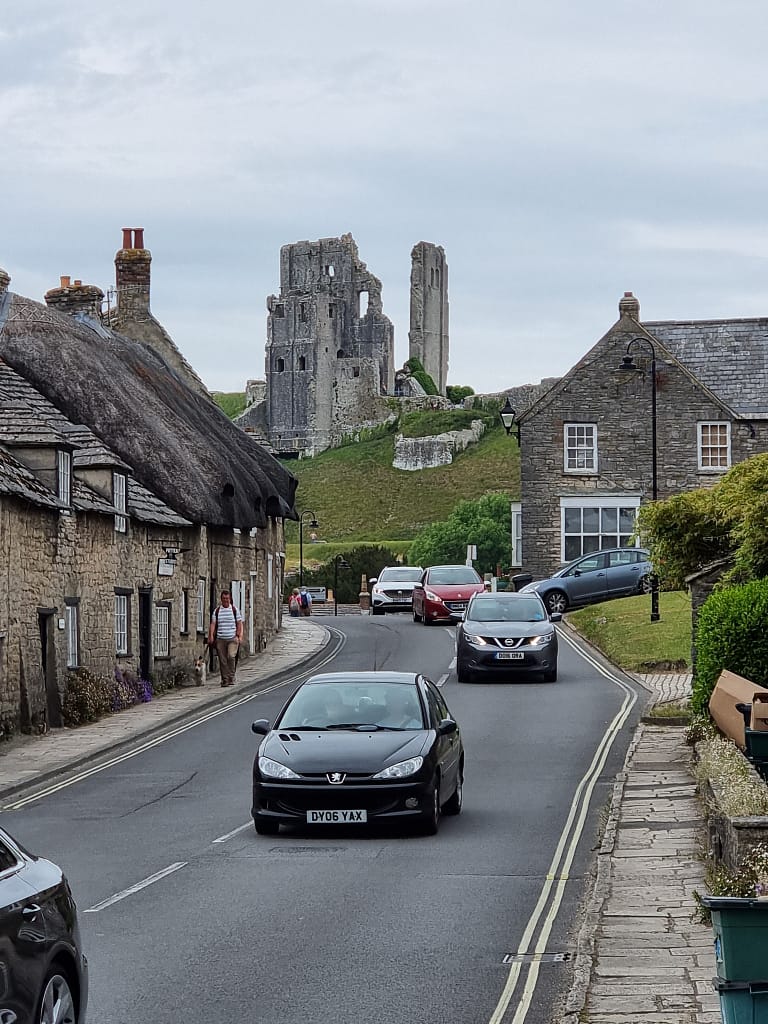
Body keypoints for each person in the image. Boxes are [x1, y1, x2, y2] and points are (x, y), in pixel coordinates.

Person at [208, 589, 243, 687]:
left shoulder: (234, 610)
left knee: (231, 656)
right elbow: (213, 624)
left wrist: (239, 636)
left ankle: (231, 676)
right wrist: (211, 636)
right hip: (220, 639)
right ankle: (225, 679)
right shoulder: (217, 611)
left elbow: (239, 623)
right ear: (221, 599)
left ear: (230, 599)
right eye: (224, 598)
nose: (225, 600)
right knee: (222, 660)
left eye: (227, 598)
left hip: (232, 638)